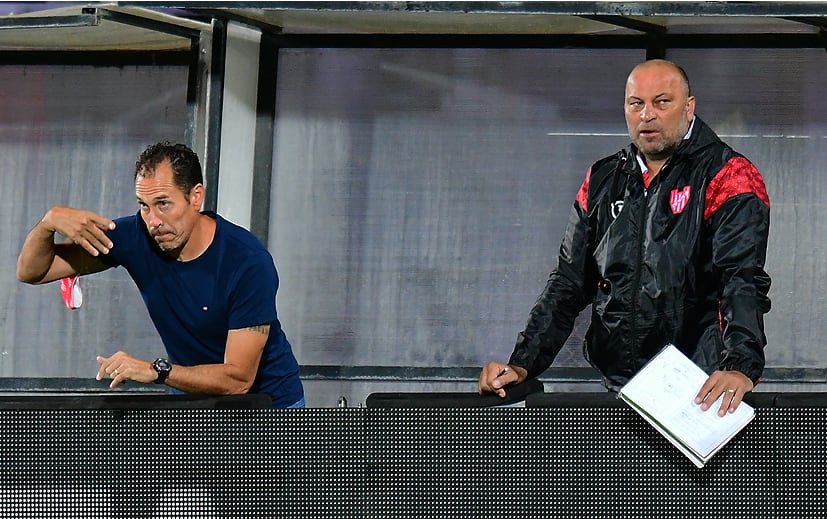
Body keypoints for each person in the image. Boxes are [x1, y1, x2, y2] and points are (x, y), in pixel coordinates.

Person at [479, 59, 771, 417]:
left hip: (701, 394)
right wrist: (522, 363)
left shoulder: (728, 174)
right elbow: (568, 284)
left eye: (662, 102)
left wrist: (740, 365)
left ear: (689, 107)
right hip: (618, 391)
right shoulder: (602, 179)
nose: (647, 115)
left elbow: (741, 280)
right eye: (637, 104)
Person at [17, 142, 304, 408]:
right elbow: (33, 272)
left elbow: (238, 380)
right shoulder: (136, 236)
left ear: (195, 196)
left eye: (164, 204)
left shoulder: (247, 262)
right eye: (144, 205)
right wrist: (48, 222)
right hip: (192, 398)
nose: (153, 221)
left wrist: (156, 370)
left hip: (268, 405)